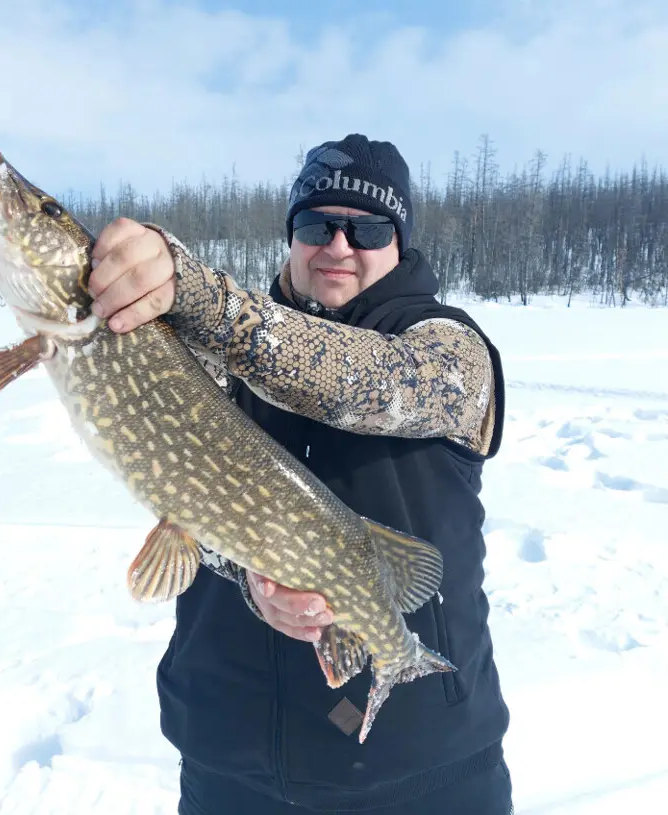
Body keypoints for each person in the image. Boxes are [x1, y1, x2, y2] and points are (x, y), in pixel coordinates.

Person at [88, 134, 513, 815]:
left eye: (367, 228)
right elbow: (192, 504)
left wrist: (205, 299)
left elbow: (357, 379)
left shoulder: (451, 353)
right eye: (317, 224)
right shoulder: (223, 350)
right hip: (231, 763)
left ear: (399, 241)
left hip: (423, 768)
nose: (338, 245)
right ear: (292, 236)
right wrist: (256, 579)